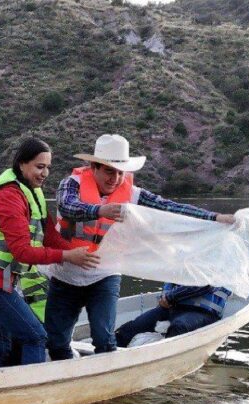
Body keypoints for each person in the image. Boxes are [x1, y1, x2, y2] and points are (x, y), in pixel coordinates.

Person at [45, 134, 236, 360]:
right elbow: (67, 206)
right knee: (56, 340)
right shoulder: (71, 184)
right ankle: (68, 377)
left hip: (104, 275)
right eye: (109, 171)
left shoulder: (132, 194)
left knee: (104, 339)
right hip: (66, 274)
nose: (115, 178)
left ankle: (109, 382)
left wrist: (214, 218)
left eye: (120, 172)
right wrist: (98, 211)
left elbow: (168, 207)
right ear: (93, 167)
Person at [0, 137, 100, 366]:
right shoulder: (8, 196)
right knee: (36, 337)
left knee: (1, 348)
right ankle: (36, 395)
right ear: (21, 164)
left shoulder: (32, 191)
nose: (45, 173)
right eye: (39, 166)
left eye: (48, 167)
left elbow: (49, 236)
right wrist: (67, 256)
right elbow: (23, 253)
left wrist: (80, 254)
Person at [115, 283, 232, 347]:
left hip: (202, 312)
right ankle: (111, 359)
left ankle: (162, 363)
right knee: (131, 328)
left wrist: (170, 297)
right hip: (171, 307)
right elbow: (170, 281)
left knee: (179, 326)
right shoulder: (185, 256)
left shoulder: (219, 261)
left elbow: (205, 284)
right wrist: (165, 298)